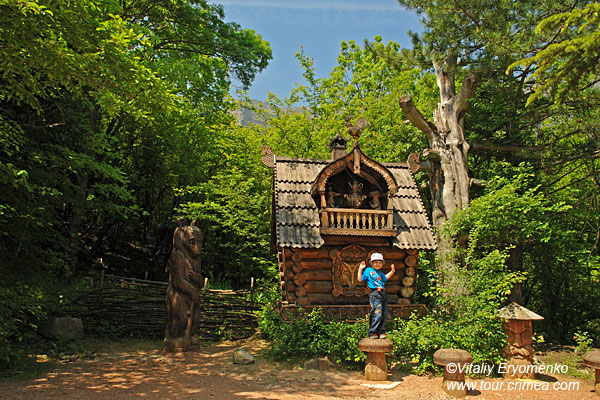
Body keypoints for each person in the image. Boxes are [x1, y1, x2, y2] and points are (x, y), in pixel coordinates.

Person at [358, 253, 395, 339]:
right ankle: (372, 332)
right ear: (371, 263)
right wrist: (360, 269)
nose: (378, 264)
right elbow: (360, 279)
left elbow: (385, 278)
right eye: (376, 262)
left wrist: (392, 272)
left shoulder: (380, 272)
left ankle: (381, 331)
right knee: (377, 313)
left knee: (384, 313)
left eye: (380, 262)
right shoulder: (368, 270)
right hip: (375, 294)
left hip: (382, 293)